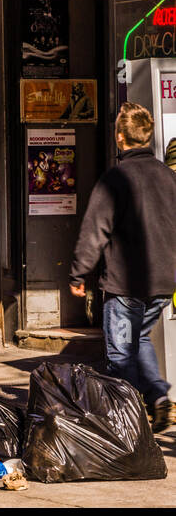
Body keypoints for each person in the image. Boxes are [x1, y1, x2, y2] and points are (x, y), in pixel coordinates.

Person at [70, 102, 176, 432]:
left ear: (120, 138)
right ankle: (159, 397)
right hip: (162, 283)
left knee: (119, 355)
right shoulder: (168, 176)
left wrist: (78, 272)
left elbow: (95, 229)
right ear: (147, 136)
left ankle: (125, 422)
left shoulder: (115, 179)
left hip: (125, 285)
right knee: (139, 338)